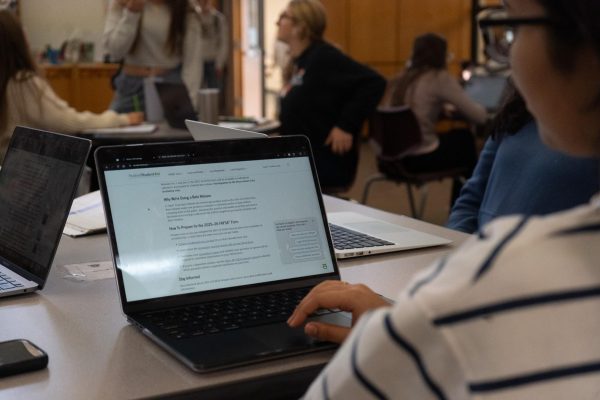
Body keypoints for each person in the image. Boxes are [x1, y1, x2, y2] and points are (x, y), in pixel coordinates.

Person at [288, 0, 600, 397]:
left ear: (584, 35)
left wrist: (414, 324)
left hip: (395, 166)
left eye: (513, 29)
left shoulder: (500, 280)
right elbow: (474, 119)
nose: (510, 60)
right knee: (460, 141)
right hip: (427, 176)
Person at [448, 83, 599, 233]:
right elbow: (469, 201)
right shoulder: (515, 113)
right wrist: (460, 244)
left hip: (543, 254)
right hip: (482, 250)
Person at [0, 10, 142, 163]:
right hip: (25, 171)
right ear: (18, 41)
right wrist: (120, 119)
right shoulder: (22, 82)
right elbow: (68, 122)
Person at [277, 0, 386, 192]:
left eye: (284, 17)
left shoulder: (324, 57)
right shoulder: (301, 61)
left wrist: (346, 125)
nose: (277, 22)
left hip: (323, 161)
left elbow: (374, 81)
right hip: (298, 158)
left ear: (301, 26)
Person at [384, 33, 488, 204]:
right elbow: (480, 117)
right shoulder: (439, 78)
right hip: (419, 159)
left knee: (458, 140)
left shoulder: (400, 78)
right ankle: (464, 206)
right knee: (465, 139)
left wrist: (439, 111)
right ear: (442, 55)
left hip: (389, 159)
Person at [103, 0, 202, 113]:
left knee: (172, 130)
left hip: (169, 85)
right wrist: (132, 13)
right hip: (130, 87)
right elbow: (114, 53)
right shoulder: (121, 3)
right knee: (110, 128)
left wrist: (190, 103)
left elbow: (193, 63)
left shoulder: (185, 7)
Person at [193, 0, 228, 90]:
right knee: (196, 92)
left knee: (214, 91)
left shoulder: (218, 19)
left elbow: (224, 43)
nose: (204, 3)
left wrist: (219, 64)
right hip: (197, 62)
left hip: (213, 62)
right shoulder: (194, 19)